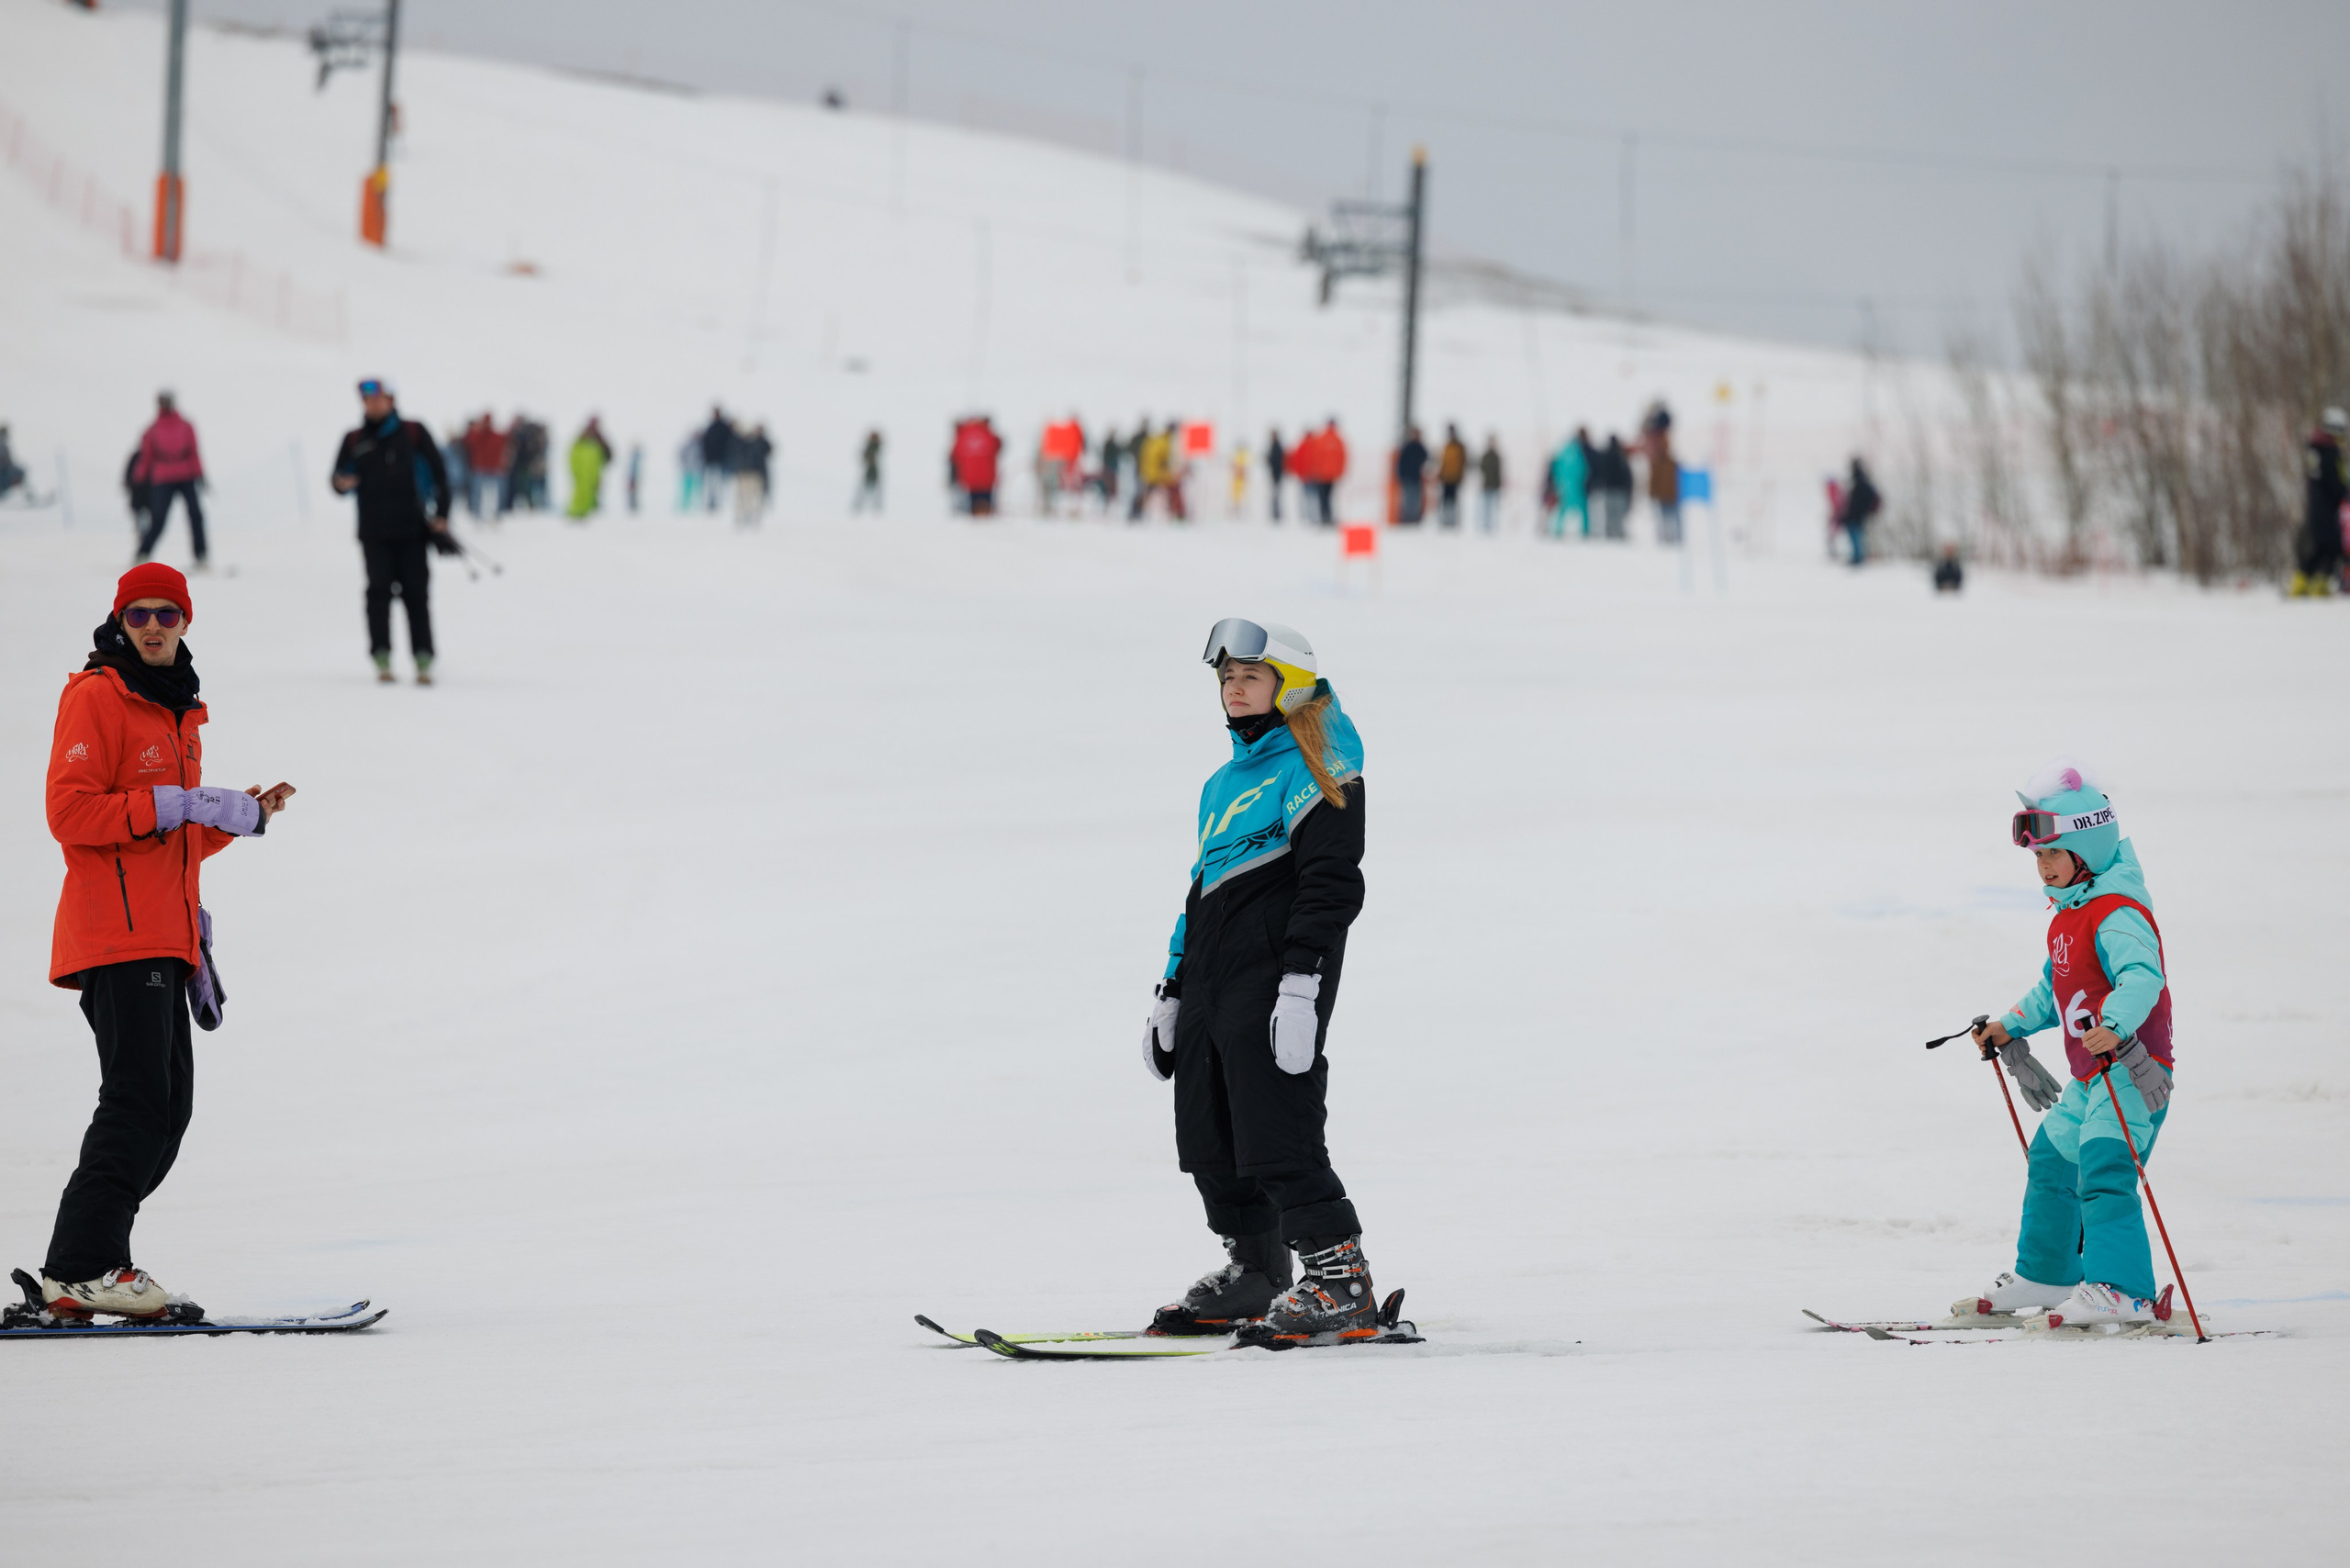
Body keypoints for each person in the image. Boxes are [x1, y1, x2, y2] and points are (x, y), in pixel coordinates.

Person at [37, 563, 295, 1319]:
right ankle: (84, 1266)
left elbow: (168, 837)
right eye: (139, 614)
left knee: (167, 1110)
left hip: (165, 936)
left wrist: (239, 815)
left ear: (185, 622)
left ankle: (84, 1268)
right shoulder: (97, 696)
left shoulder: (178, 711)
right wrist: (173, 802)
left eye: (167, 615)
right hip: (114, 938)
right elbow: (71, 814)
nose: (152, 626)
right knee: (137, 1103)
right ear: (121, 621)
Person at [1143, 619, 1379, 1347]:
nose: (1234, 689)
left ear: (1291, 684)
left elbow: (1331, 882)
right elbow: (1201, 888)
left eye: (1250, 676)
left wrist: (1303, 982)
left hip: (1278, 974)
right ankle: (1257, 1267)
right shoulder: (1223, 783)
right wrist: (1173, 987)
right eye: (1226, 679)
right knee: (1208, 1128)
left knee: (1276, 1123)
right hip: (1214, 975)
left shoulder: (1319, 762)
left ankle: (1340, 1279)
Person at [1964, 759, 2178, 1329]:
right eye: (2038, 856)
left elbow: (2143, 977)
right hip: (2092, 1077)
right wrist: (2010, 1025)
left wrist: (2118, 1022)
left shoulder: (2117, 912)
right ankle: (2049, 1271)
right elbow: (2052, 989)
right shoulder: (2067, 917)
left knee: (2106, 1169)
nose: (2044, 867)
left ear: (2090, 848)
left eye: (2054, 853)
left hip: (2133, 1070)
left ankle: (2124, 1288)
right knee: (2053, 1160)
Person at [330, 378, 453, 686]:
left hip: (413, 531)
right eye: (368, 400)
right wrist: (341, 483)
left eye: (380, 399)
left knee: (416, 596)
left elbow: (441, 474)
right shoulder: (354, 438)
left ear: (391, 400)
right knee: (378, 595)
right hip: (373, 534)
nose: (374, 404)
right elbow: (336, 478)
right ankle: (381, 657)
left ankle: (423, 659)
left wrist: (442, 515)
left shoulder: (413, 432)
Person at [132, 392, 207, 569]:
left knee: (196, 515)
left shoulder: (186, 426)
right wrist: (138, 478)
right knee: (158, 519)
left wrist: (200, 474)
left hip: (186, 476)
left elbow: (194, 452)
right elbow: (147, 457)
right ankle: (143, 553)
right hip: (163, 478)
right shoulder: (151, 430)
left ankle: (201, 554)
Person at [2291, 407, 2346, 597]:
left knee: (2316, 546)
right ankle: (2319, 584)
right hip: (2328, 507)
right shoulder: (2330, 451)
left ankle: (2300, 582)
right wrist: (2345, 493)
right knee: (2331, 546)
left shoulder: (2314, 446)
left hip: (2314, 505)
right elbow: (2336, 482)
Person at [1642, 407, 1681, 545]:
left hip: (1664, 494)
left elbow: (1655, 479)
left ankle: (1667, 539)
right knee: (1671, 517)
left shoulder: (1658, 461)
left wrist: (1653, 492)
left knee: (1665, 517)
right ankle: (1673, 539)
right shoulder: (1670, 462)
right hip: (1669, 494)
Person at [951, 416, 1002, 516]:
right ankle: (986, 515)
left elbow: (954, 455)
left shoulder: (962, 435)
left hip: (969, 480)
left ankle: (975, 515)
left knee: (972, 509)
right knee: (987, 507)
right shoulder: (988, 433)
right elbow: (998, 445)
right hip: (987, 479)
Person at [565, 417, 612, 521]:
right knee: (580, 492)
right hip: (582, 472)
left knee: (591, 492)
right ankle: (576, 512)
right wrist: (574, 469)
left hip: (593, 472)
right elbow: (573, 455)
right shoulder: (581, 438)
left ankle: (586, 512)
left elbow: (608, 455)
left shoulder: (599, 439)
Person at [1839, 457, 1881, 567]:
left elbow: (1856, 501)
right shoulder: (1861, 481)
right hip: (1858, 514)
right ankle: (1858, 557)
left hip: (1855, 515)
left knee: (1855, 536)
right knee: (1857, 536)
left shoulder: (1859, 481)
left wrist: (1855, 511)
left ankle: (1858, 558)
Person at [1549, 431, 1588, 540]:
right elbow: (1583, 470)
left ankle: (1558, 530)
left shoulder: (1562, 454)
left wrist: (1558, 483)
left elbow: (1556, 471)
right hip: (1576, 486)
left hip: (1564, 486)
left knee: (1562, 509)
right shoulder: (1577, 453)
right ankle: (1585, 530)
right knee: (1583, 509)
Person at [698, 408, 737, 514]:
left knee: (722, 483)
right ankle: (712, 503)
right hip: (711, 461)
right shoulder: (710, 428)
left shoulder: (724, 428)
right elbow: (705, 444)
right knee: (712, 483)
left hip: (722, 461)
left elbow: (730, 444)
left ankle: (720, 504)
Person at [1593, 434, 1632, 540]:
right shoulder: (1621, 456)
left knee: (1609, 515)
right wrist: (1628, 490)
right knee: (1618, 515)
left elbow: (1600, 473)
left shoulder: (1605, 456)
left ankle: (1609, 534)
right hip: (1620, 491)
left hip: (1609, 490)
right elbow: (1627, 475)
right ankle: (1619, 535)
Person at [734, 423, 773, 524]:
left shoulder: (760, 443)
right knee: (744, 498)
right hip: (746, 475)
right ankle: (743, 517)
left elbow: (769, 450)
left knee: (753, 498)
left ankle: (752, 518)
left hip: (754, 475)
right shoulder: (744, 444)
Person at [1393, 426, 1428, 525]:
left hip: (1416, 478)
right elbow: (1401, 462)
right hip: (1408, 478)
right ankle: (1407, 519)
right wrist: (1401, 475)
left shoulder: (1420, 448)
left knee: (1415, 500)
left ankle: (1415, 519)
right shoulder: (1407, 447)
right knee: (1408, 499)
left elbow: (1426, 459)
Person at [1435, 424, 1468, 529]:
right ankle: (1445, 521)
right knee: (1445, 500)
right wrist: (1440, 474)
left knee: (1453, 500)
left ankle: (1452, 522)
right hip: (1446, 478)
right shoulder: (1446, 446)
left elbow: (1463, 462)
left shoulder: (1459, 447)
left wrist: (1461, 475)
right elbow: (1443, 462)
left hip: (1455, 478)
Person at [1476, 434, 1504, 532]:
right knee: (1486, 507)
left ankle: (1493, 527)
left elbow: (1499, 472)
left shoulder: (1496, 456)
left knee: (1495, 508)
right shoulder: (1486, 456)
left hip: (1495, 485)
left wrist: (1500, 484)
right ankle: (1485, 526)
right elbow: (1481, 469)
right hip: (1487, 485)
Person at [853, 430, 884, 514]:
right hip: (870, 468)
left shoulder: (875, 446)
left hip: (874, 469)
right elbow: (865, 456)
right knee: (864, 487)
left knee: (876, 488)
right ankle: (859, 504)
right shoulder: (871, 446)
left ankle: (876, 505)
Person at [1264, 429, 1286, 522]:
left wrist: (1268, 459)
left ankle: (1276, 514)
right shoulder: (1276, 446)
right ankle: (1275, 513)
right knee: (1275, 495)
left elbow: (1276, 461)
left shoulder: (1276, 446)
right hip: (1276, 473)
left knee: (1276, 495)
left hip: (1277, 474)